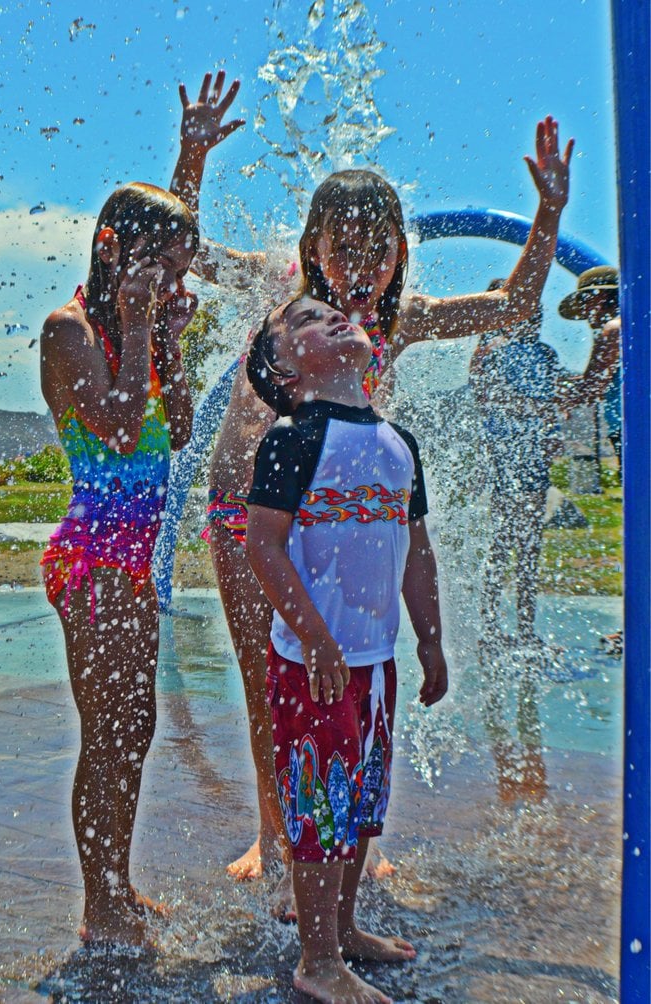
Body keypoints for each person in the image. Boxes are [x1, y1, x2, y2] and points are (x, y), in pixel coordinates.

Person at [170, 69, 573, 886]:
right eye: (341, 247)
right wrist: (192, 159)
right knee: (267, 679)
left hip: (343, 527)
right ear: (309, 248)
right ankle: (275, 836)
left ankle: (351, 837)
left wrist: (551, 212)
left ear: (400, 252)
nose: (359, 265)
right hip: (251, 517)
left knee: (355, 676)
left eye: (376, 249)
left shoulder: (402, 319)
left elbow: (512, 303)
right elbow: (185, 251)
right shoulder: (275, 291)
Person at [245, 295, 448, 1004]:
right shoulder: (293, 437)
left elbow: (415, 551)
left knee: (360, 802)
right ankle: (318, 959)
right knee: (320, 807)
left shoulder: (398, 443)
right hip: (314, 666)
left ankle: (347, 927)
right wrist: (315, 638)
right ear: (283, 367)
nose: (330, 317)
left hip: (374, 661)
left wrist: (431, 639)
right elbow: (263, 547)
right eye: (304, 320)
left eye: (331, 311)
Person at [40, 182, 199, 945]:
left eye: (180, 271)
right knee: (106, 730)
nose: (174, 286)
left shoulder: (138, 328)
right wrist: (140, 327)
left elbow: (186, 421)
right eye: (162, 268)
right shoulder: (69, 332)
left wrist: (165, 335)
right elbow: (121, 426)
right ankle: (98, 906)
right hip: (95, 562)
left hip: (131, 566)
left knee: (137, 724)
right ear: (113, 253)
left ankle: (117, 885)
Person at [470, 278, 620, 651]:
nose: (534, 314)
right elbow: (488, 397)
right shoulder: (489, 350)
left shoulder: (546, 354)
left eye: (536, 308)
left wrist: (552, 425)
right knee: (503, 544)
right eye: (526, 307)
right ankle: (489, 628)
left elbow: (559, 396)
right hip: (505, 457)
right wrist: (541, 408)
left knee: (530, 547)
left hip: (534, 457)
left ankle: (525, 630)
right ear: (502, 312)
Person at [558, 266, 621, 479]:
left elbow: (593, 386)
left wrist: (566, 397)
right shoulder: (633, 324)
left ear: (600, 296)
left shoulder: (614, 329)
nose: (583, 312)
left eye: (584, 302)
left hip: (638, 430)